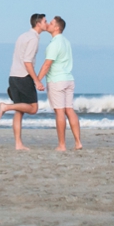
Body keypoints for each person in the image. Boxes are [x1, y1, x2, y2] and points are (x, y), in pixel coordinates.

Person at [0, 13, 48, 150]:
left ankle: (18, 144)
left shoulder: (22, 36)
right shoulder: (33, 39)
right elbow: (27, 61)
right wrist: (36, 81)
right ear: (38, 23)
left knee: (19, 111)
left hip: (13, 75)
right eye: (45, 21)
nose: (46, 24)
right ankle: (6, 107)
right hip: (23, 76)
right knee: (33, 108)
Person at [37, 16, 83, 151]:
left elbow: (47, 65)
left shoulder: (54, 44)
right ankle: (78, 142)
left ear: (57, 27)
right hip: (68, 79)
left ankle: (62, 145)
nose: (49, 25)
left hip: (57, 80)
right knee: (69, 109)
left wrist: (37, 79)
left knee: (60, 112)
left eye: (51, 23)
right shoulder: (66, 42)